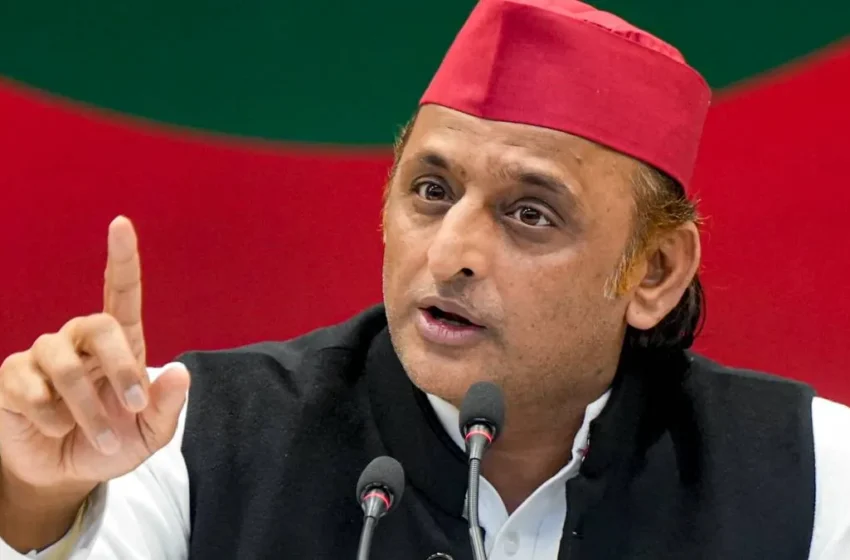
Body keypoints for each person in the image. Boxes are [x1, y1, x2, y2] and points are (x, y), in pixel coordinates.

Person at [1, 0, 849, 558]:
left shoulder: (814, 477)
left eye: (530, 213)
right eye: (432, 192)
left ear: (654, 272)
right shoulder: (189, 437)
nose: (450, 255)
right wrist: (36, 495)